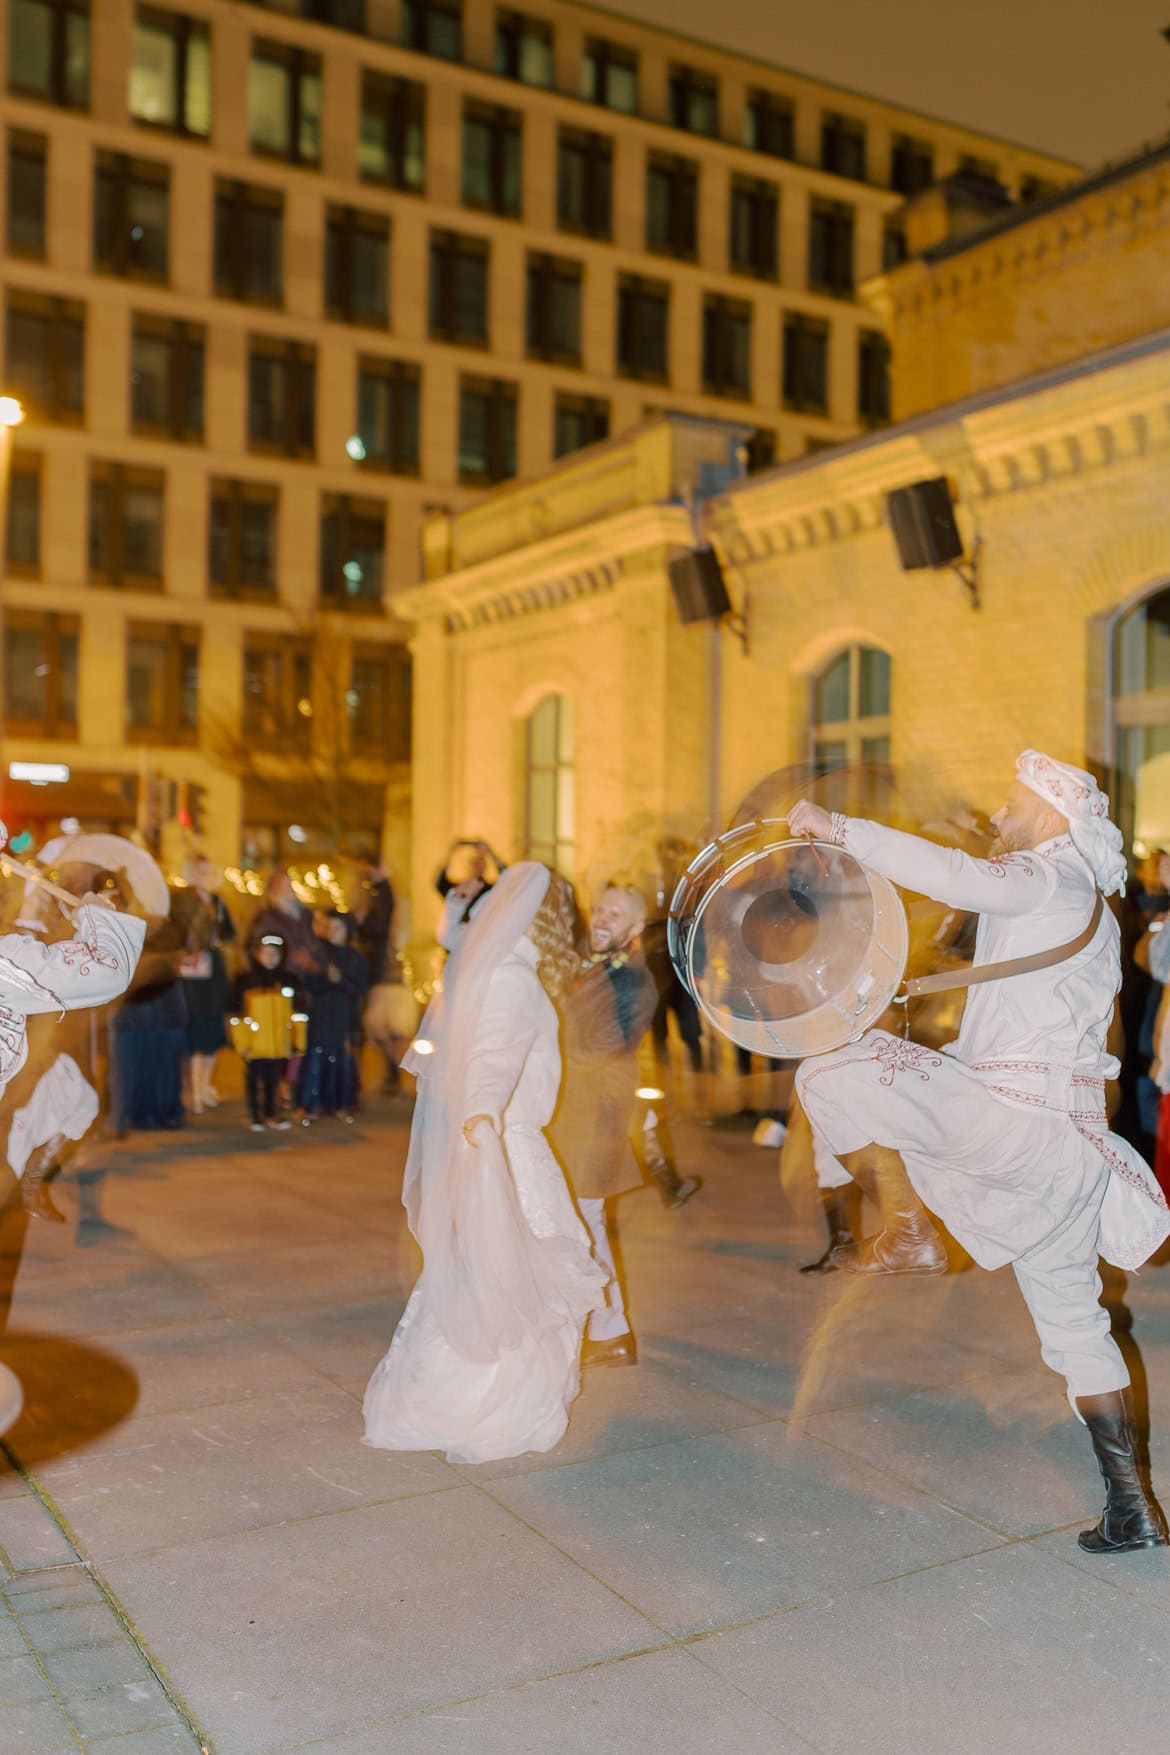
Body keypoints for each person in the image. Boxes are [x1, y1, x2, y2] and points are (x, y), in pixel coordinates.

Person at [789, 750, 1170, 1556]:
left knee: (828, 1066)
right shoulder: (1094, 908)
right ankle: (1132, 1505)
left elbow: (958, 874)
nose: (1000, 818)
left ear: (1049, 814)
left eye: (1010, 805)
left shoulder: (1048, 875)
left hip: (1010, 1119)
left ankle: (910, 1226)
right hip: (1068, 1155)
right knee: (1076, 1329)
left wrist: (839, 827)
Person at [363, 864, 603, 1465]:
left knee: (493, 1269)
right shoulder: (513, 976)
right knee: (523, 1273)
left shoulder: (489, 969)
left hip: (496, 1137)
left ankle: (453, 1394)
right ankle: (495, 1405)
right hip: (508, 1143)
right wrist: (483, 1117)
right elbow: (494, 1057)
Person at [553, 884, 699, 1370]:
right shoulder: (594, 965)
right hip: (575, 1111)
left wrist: (544, 1051)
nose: (601, 918)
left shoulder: (633, 982)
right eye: (600, 908)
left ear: (635, 928)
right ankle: (595, 1322)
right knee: (574, 1221)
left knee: (588, 1222)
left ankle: (612, 1330)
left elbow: (602, 1050)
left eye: (615, 914)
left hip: (596, 1116)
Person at [175, 854, 235, 1115]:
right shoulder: (180, 899)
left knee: (211, 1028)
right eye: (199, 869)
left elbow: (229, 932)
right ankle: (193, 1089)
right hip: (189, 972)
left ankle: (205, 1085)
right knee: (192, 1029)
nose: (204, 874)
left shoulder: (218, 901)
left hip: (212, 971)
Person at [296, 911, 368, 1122]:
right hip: (321, 1013)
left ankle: (342, 1103)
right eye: (330, 927)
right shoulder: (319, 954)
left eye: (338, 928)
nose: (333, 932)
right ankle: (311, 1104)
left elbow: (360, 987)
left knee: (342, 1059)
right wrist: (325, 978)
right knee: (316, 1057)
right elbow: (309, 983)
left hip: (344, 1015)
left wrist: (340, 980)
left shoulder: (356, 958)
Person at [232, 935, 297, 1132]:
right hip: (255, 1045)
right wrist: (242, 1043)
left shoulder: (288, 981)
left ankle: (271, 1113)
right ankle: (256, 1115)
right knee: (254, 1081)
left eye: (275, 954)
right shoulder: (246, 982)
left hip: (278, 1045)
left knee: (274, 1081)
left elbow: (296, 1015)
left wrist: (296, 1041)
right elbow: (238, 1016)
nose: (271, 958)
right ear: (257, 954)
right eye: (266, 953)